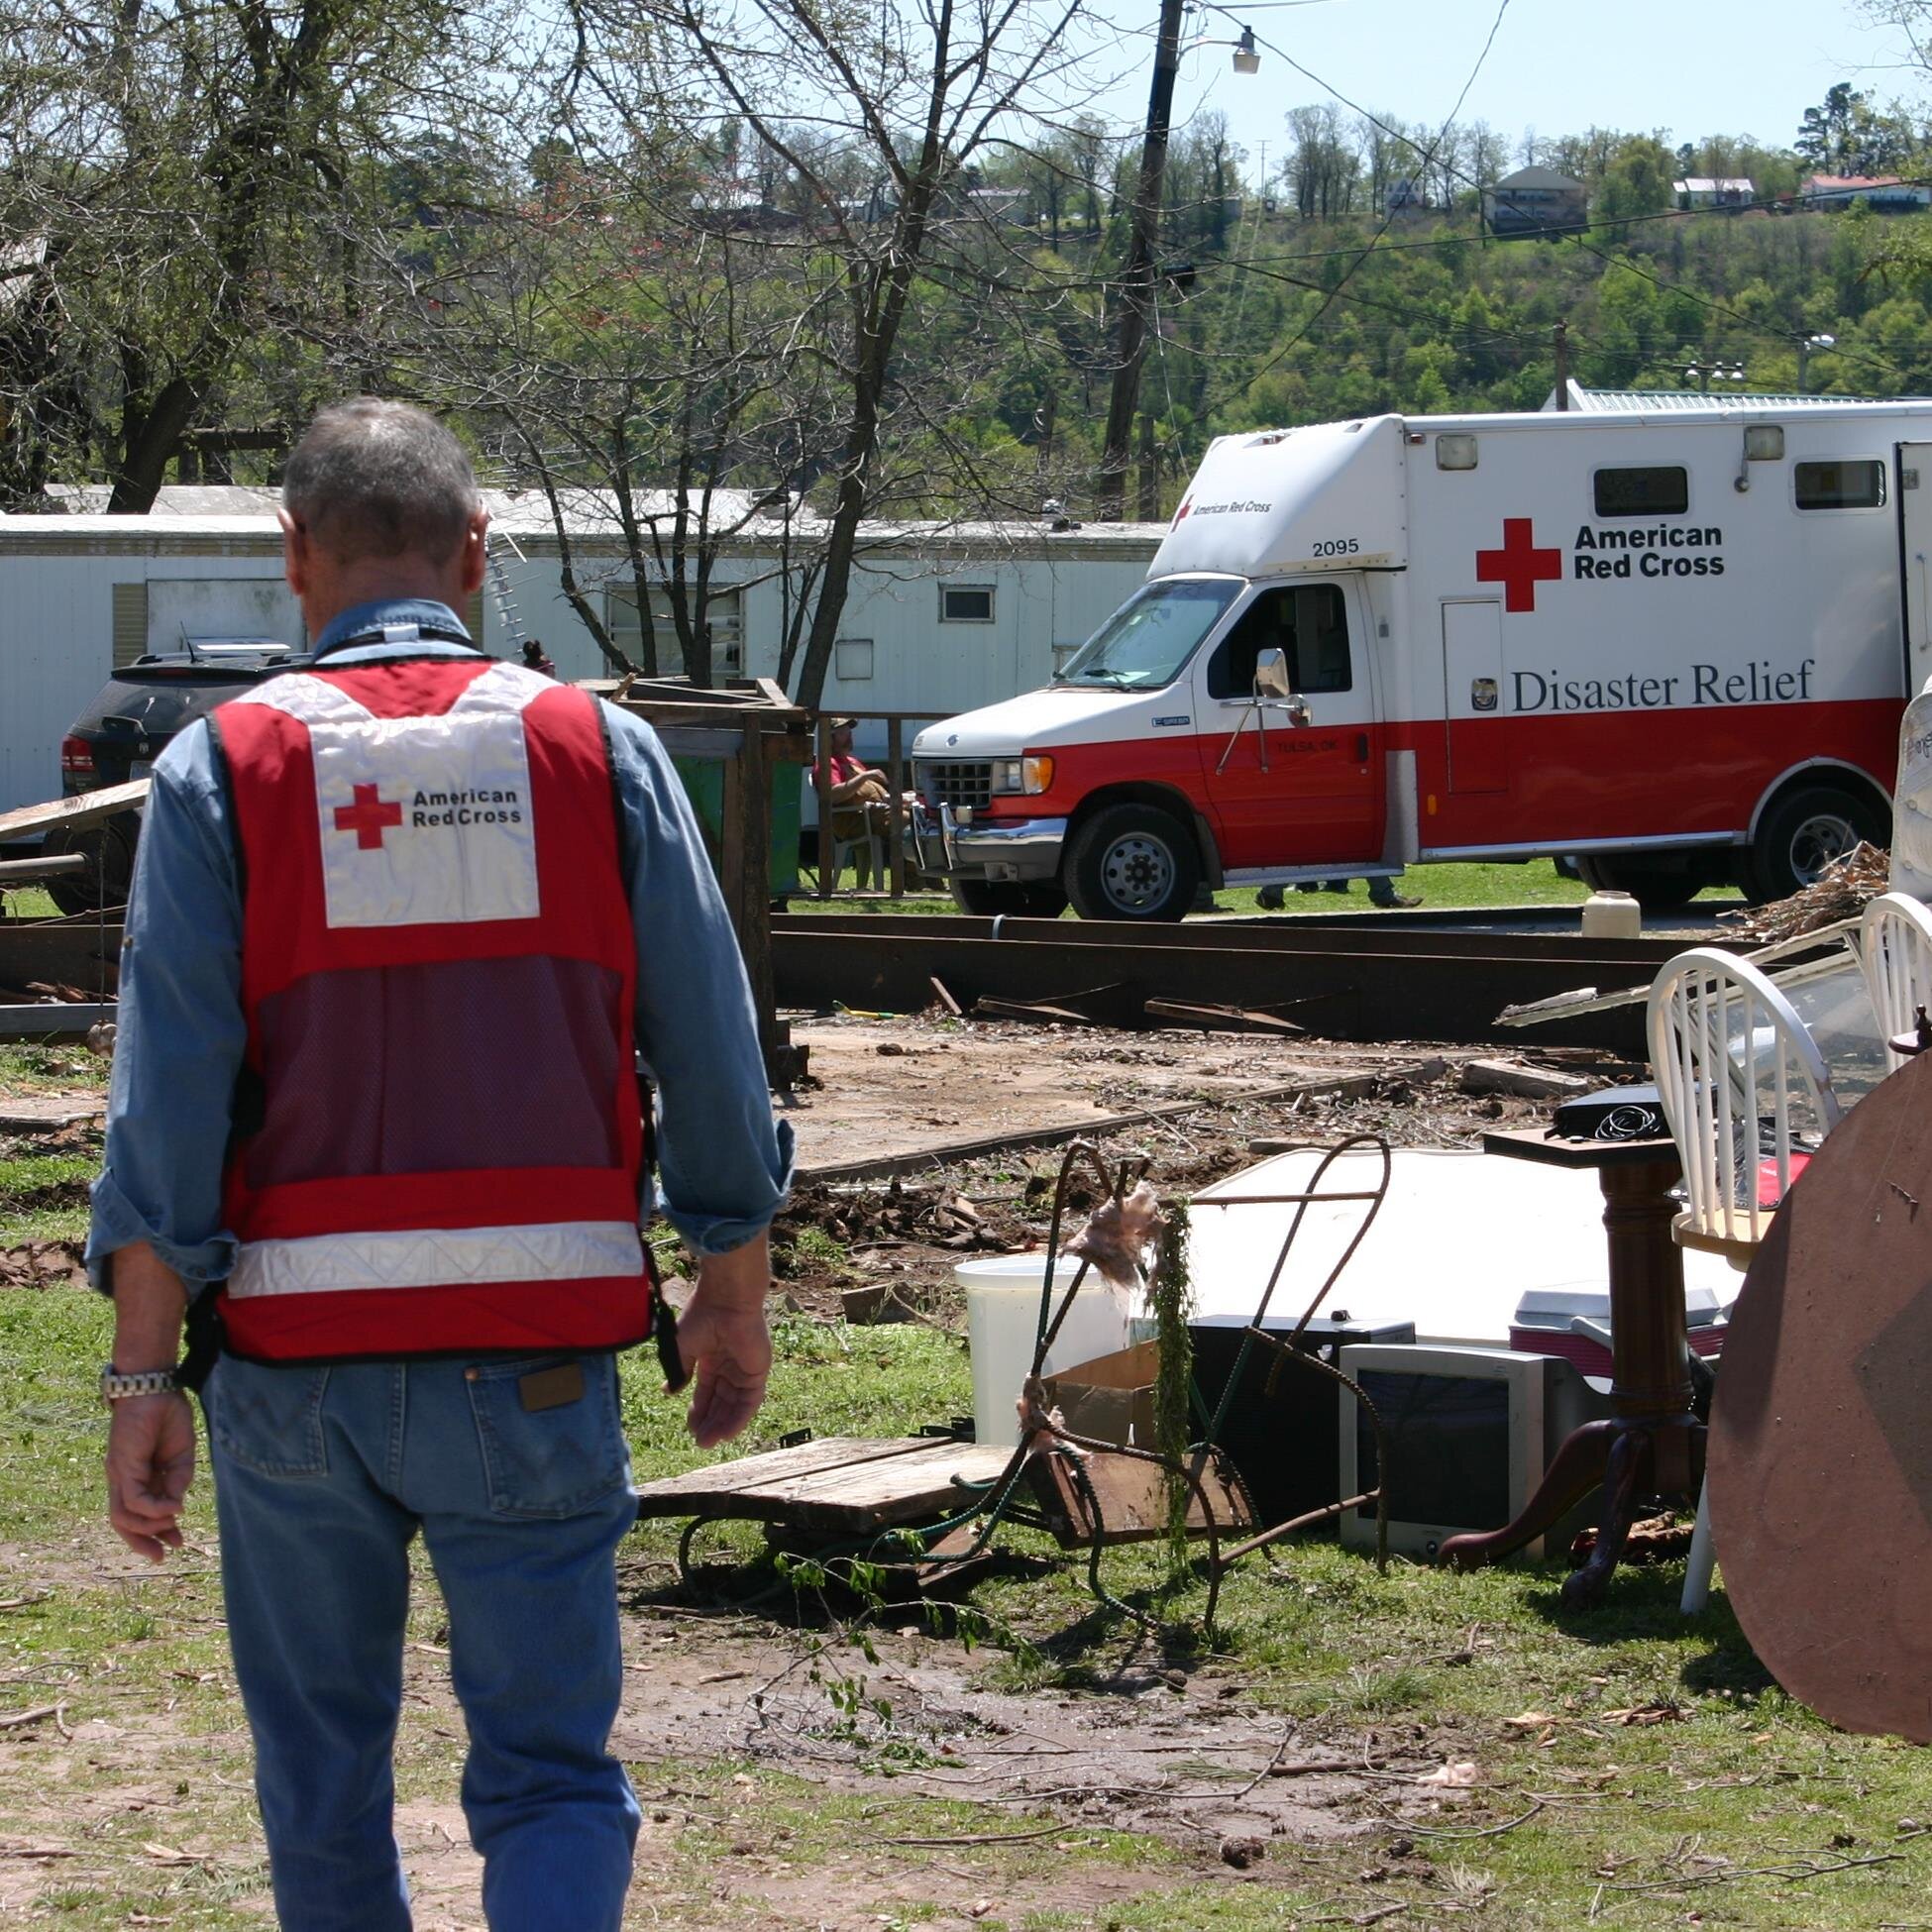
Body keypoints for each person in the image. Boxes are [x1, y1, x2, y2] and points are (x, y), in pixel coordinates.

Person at [88, 398, 791, 1932]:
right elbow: (712, 1048)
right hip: (534, 1361)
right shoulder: (595, 749)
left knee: (320, 1774)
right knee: (547, 1772)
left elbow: (170, 1095)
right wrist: (726, 1284)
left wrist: (146, 1374)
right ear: (476, 555)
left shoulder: (223, 771)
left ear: (293, 558)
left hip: (292, 1369)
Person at [809, 716, 892, 889]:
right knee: (904, 821)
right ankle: (913, 880)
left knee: (914, 817)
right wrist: (865, 776)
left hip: (873, 814)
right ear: (829, 737)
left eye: (849, 732)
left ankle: (922, 879)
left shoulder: (852, 762)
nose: (848, 736)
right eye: (842, 733)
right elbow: (832, 795)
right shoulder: (827, 763)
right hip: (851, 820)